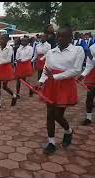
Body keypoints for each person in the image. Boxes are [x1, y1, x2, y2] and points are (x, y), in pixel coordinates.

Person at [38, 25, 85, 154]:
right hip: (51, 85)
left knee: (58, 115)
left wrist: (56, 77)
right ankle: (51, 142)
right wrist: (41, 81)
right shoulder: (51, 52)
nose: (59, 38)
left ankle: (68, 131)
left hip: (65, 85)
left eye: (63, 36)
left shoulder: (78, 50)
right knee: (49, 115)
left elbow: (76, 70)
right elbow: (46, 69)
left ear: (70, 37)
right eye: (58, 35)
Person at [0, 34, 17, 110]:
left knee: (4, 87)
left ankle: (14, 96)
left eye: (2, 39)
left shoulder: (10, 48)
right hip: (0, 68)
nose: (0, 41)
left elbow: (9, 60)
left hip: (6, 68)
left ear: (6, 40)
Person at [78, 43, 95, 126]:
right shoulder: (92, 48)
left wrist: (93, 58)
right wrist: (83, 75)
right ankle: (88, 117)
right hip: (93, 75)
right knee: (90, 96)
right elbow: (89, 65)